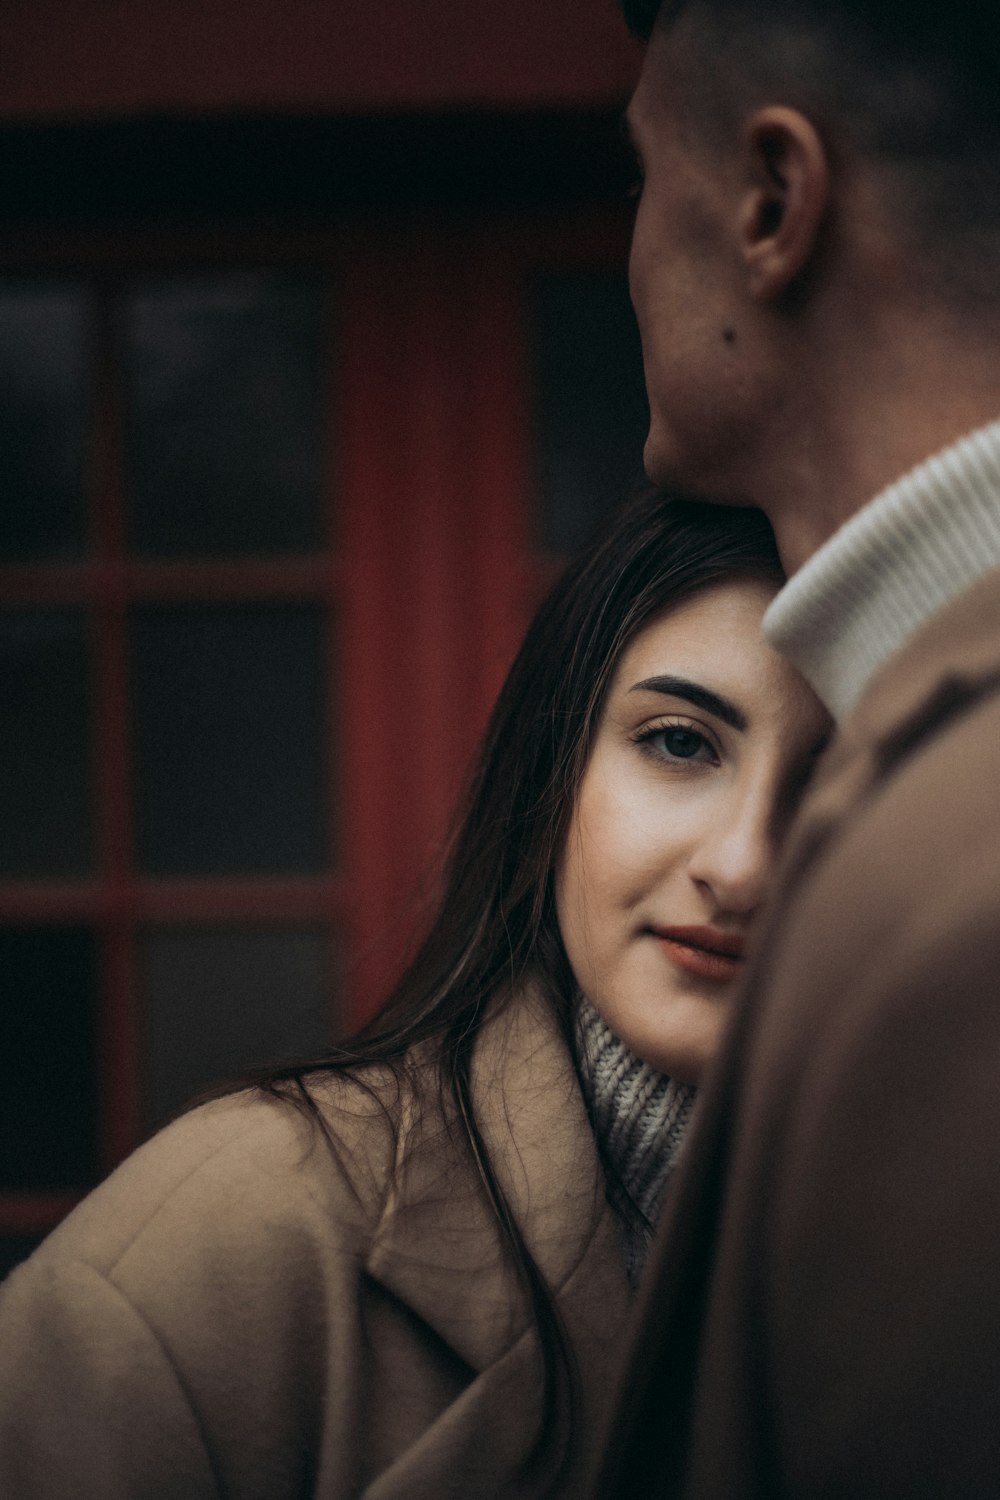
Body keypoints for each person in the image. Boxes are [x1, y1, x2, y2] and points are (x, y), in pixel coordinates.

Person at [0, 491, 827, 1499]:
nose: (742, 864)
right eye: (679, 742)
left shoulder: (949, 1269)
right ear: (554, 769)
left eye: (840, 778)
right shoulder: (232, 1239)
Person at [592, 0, 1000, 1494]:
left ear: (773, 204)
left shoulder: (964, 896)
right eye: (677, 742)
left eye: (637, 176)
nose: (627, 252)